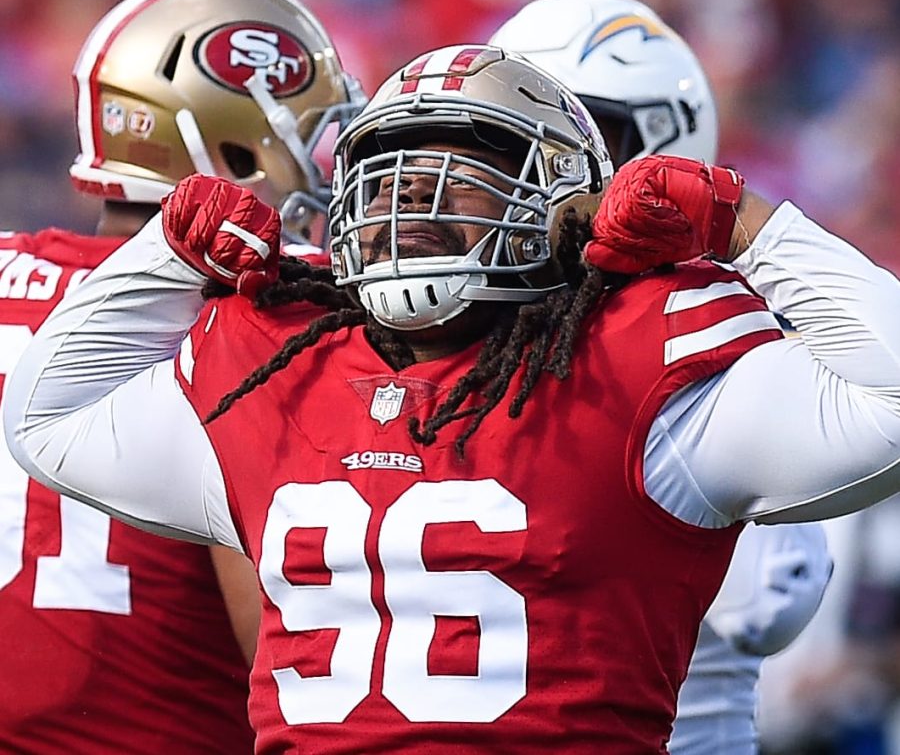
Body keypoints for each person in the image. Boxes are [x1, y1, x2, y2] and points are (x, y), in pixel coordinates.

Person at [6, 43, 900, 754]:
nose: (410, 197)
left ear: (560, 198)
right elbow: (43, 422)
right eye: (388, 169)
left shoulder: (638, 359)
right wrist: (165, 250)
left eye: (462, 167)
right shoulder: (276, 358)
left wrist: (742, 224)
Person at [0, 0, 364, 752]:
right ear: (227, 145)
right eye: (310, 132)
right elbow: (294, 658)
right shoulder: (250, 316)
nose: (326, 166)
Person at [489, 0, 835, 754]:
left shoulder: (702, 338)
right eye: (509, 135)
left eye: (573, 127)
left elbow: (769, 598)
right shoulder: (448, 332)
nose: (533, 167)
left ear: (659, 149)